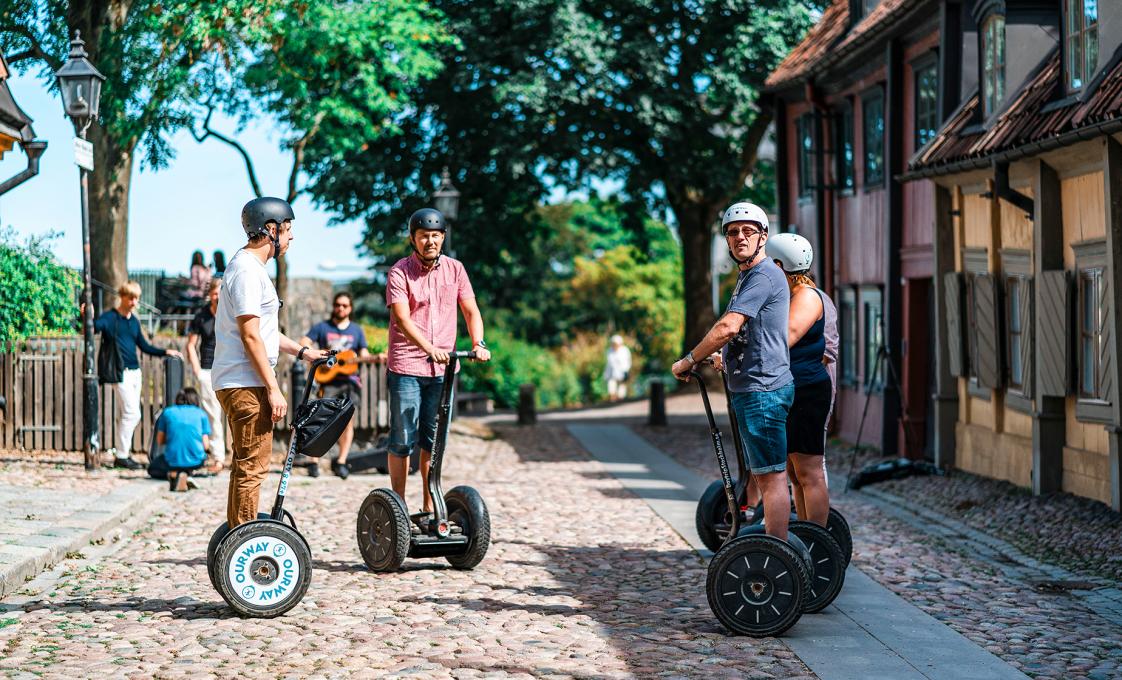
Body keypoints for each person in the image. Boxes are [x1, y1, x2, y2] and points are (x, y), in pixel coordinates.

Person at [671, 202, 795, 541]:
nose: (740, 237)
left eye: (748, 231)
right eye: (732, 232)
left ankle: (776, 552)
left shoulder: (763, 275)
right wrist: (723, 356)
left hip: (762, 389)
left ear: (763, 236)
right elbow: (751, 332)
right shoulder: (748, 276)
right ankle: (772, 546)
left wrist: (689, 360)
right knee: (762, 473)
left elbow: (728, 326)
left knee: (771, 478)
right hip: (753, 385)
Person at [212, 197, 326, 529]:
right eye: (287, 229)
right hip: (246, 383)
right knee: (253, 467)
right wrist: (273, 388)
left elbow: (266, 332)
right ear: (271, 230)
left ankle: (238, 535)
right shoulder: (247, 271)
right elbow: (250, 336)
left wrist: (303, 352)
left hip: (242, 380)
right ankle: (243, 542)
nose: (291, 236)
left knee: (245, 465)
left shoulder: (250, 269)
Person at [386, 207, 491, 518]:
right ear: (413, 239)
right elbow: (402, 319)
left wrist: (478, 343)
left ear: (443, 237)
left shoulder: (456, 270)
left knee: (433, 440)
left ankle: (430, 504)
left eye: (435, 235)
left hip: (443, 368)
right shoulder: (399, 272)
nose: (429, 241)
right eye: (423, 236)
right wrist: (429, 348)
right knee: (403, 438)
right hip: (407, 366)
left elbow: (470, 311)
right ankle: (398, 507)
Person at [769, 233, 839, 527]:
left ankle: (818, 539)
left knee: (810, 473)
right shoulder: (790, 296)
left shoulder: (808, 297)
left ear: (778, 265)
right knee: (795, 475)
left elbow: (785, 339)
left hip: (808, 391)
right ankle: (804, 532)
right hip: (792, 389)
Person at [94, 281, 183, 470]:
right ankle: (122, 455)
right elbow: (93, 327)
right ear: (122, 297)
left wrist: (165, 352)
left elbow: (144, 346)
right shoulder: (110, 318)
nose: (134, 302)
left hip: (136, 373)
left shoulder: (133, 321)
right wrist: (87, 316)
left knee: (129, 414)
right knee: (132, 414)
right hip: (121, 373)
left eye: (136, 298)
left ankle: (122, 453)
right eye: (131, 298)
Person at [300, 291, 381, 479]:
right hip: (327, 381)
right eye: (338, 305)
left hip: (350, 382)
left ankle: (342, 461)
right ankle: (313, 462)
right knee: (322, 419)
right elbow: (304, 341)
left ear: (350, 308)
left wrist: (375, 358)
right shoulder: (322, 327)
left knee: (347, 422)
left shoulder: (357, 330)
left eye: (344, 305)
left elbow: (363, 354)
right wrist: (315, 353)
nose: (340, 308)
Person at [186, 278, 226, 470]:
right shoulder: (201, 316)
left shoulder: (230, 313)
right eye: (215, 293)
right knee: (213, 414)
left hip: (228, 368)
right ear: (210, 294)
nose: (218, 297)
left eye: (221, 293)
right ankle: (218, 458)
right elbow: (190, 345)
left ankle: (231, 455)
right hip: (207, 369)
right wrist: (197, 370)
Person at [155, 388, 210, 491]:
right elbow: (205, 445)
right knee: (193, 462)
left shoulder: (167, 412)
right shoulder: (201, 414)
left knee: (153, 468)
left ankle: (174, 474)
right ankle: (187, 474)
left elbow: (160, 441)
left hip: (172, 461)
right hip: (196, 461)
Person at [603, 334, 632, 401]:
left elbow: (628, 361)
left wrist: (626, 370)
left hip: (622, 371)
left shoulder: (625, 350)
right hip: (612, 372)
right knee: (611, 385)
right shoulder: (609, 351)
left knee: (622, 387)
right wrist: (606, 373)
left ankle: (620, 398)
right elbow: (608, 363)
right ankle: (612, 398)